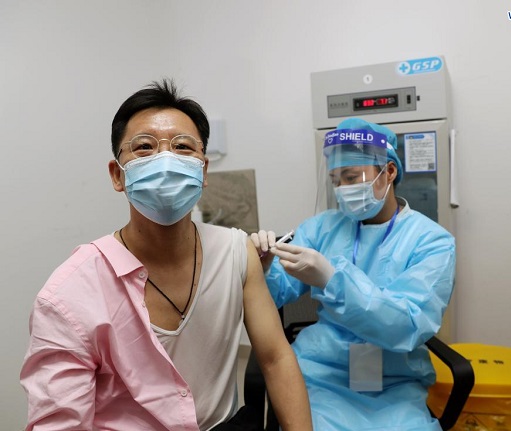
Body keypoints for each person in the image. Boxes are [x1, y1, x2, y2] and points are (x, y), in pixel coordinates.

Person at [20, 80, 313, 431]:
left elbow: (276, 359)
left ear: (203, 171)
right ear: (117, 175)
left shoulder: (236, 253)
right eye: (144, 147)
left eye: (183, 147)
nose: (166, 161)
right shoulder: (68, 295)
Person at [251, 118, 456, 431]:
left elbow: (408, 325)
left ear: (389, 171)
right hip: (322, 372)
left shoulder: (432, 241)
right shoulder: (322, 227)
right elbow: (275, 293)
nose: (343, 190)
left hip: (394, 381)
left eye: (351, 177)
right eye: (336, 180)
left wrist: (333, 281)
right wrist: (263, 268)